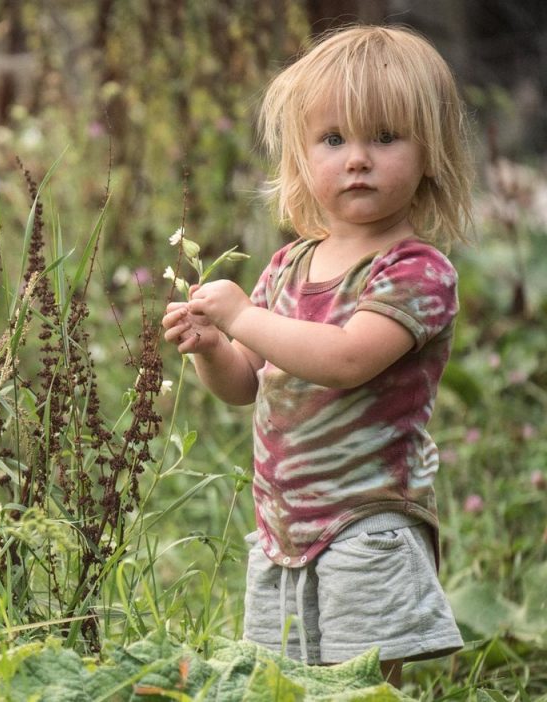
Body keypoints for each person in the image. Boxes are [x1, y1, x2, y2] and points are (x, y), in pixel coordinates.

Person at [161, 25, 471, 688]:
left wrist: (244, 315)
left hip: (367, 519)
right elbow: (246, 382)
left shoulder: (416, 272)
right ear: (301, 158)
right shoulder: (286, 266)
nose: (356, 159)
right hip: (282, 523)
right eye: (333, 140)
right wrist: (215, 347)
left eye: (384, 138)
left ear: (430, 153)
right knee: (287, 678)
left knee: (359, 678)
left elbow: (347, 358)